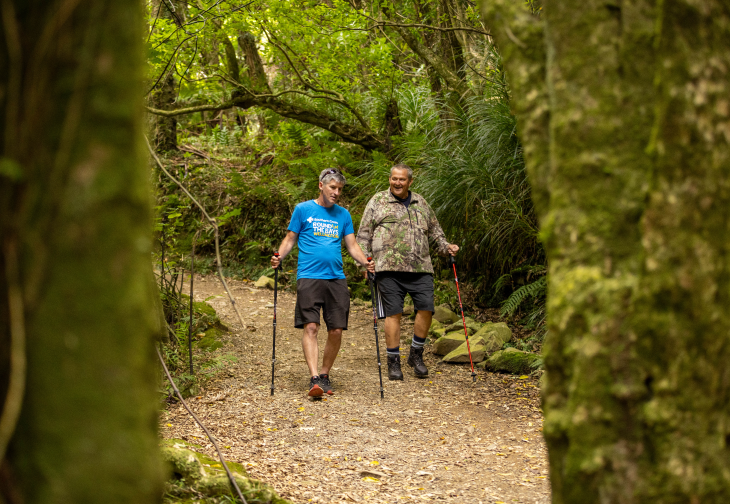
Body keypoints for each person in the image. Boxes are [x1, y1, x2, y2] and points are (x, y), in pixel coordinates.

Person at [272, 168, 374, 397]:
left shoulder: (343, 215)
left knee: (336, 329)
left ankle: (325, 375)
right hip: (308, 276)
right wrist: (278, 257)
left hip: (336, 278)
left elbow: (352, 245)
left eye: (340, 189)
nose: (336, 192)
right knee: (311, 326)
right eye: (332, 187)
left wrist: (365, 262)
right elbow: (290, 239)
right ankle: (314, 377)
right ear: (321, 186)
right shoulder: (303, 209)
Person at [356, 164, 459, 380]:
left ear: (410, 181)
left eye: (402, 179)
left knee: (426, 309)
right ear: (390, 179)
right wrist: (365, 263)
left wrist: (447, 247)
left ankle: (416, 353)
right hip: (387, 269)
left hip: (420, 267)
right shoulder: (378, 201)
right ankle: (393, 361)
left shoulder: (420, 202)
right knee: (393, 314)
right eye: (394, 179)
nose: (397, 183)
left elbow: (436, 234)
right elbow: (363, 236)